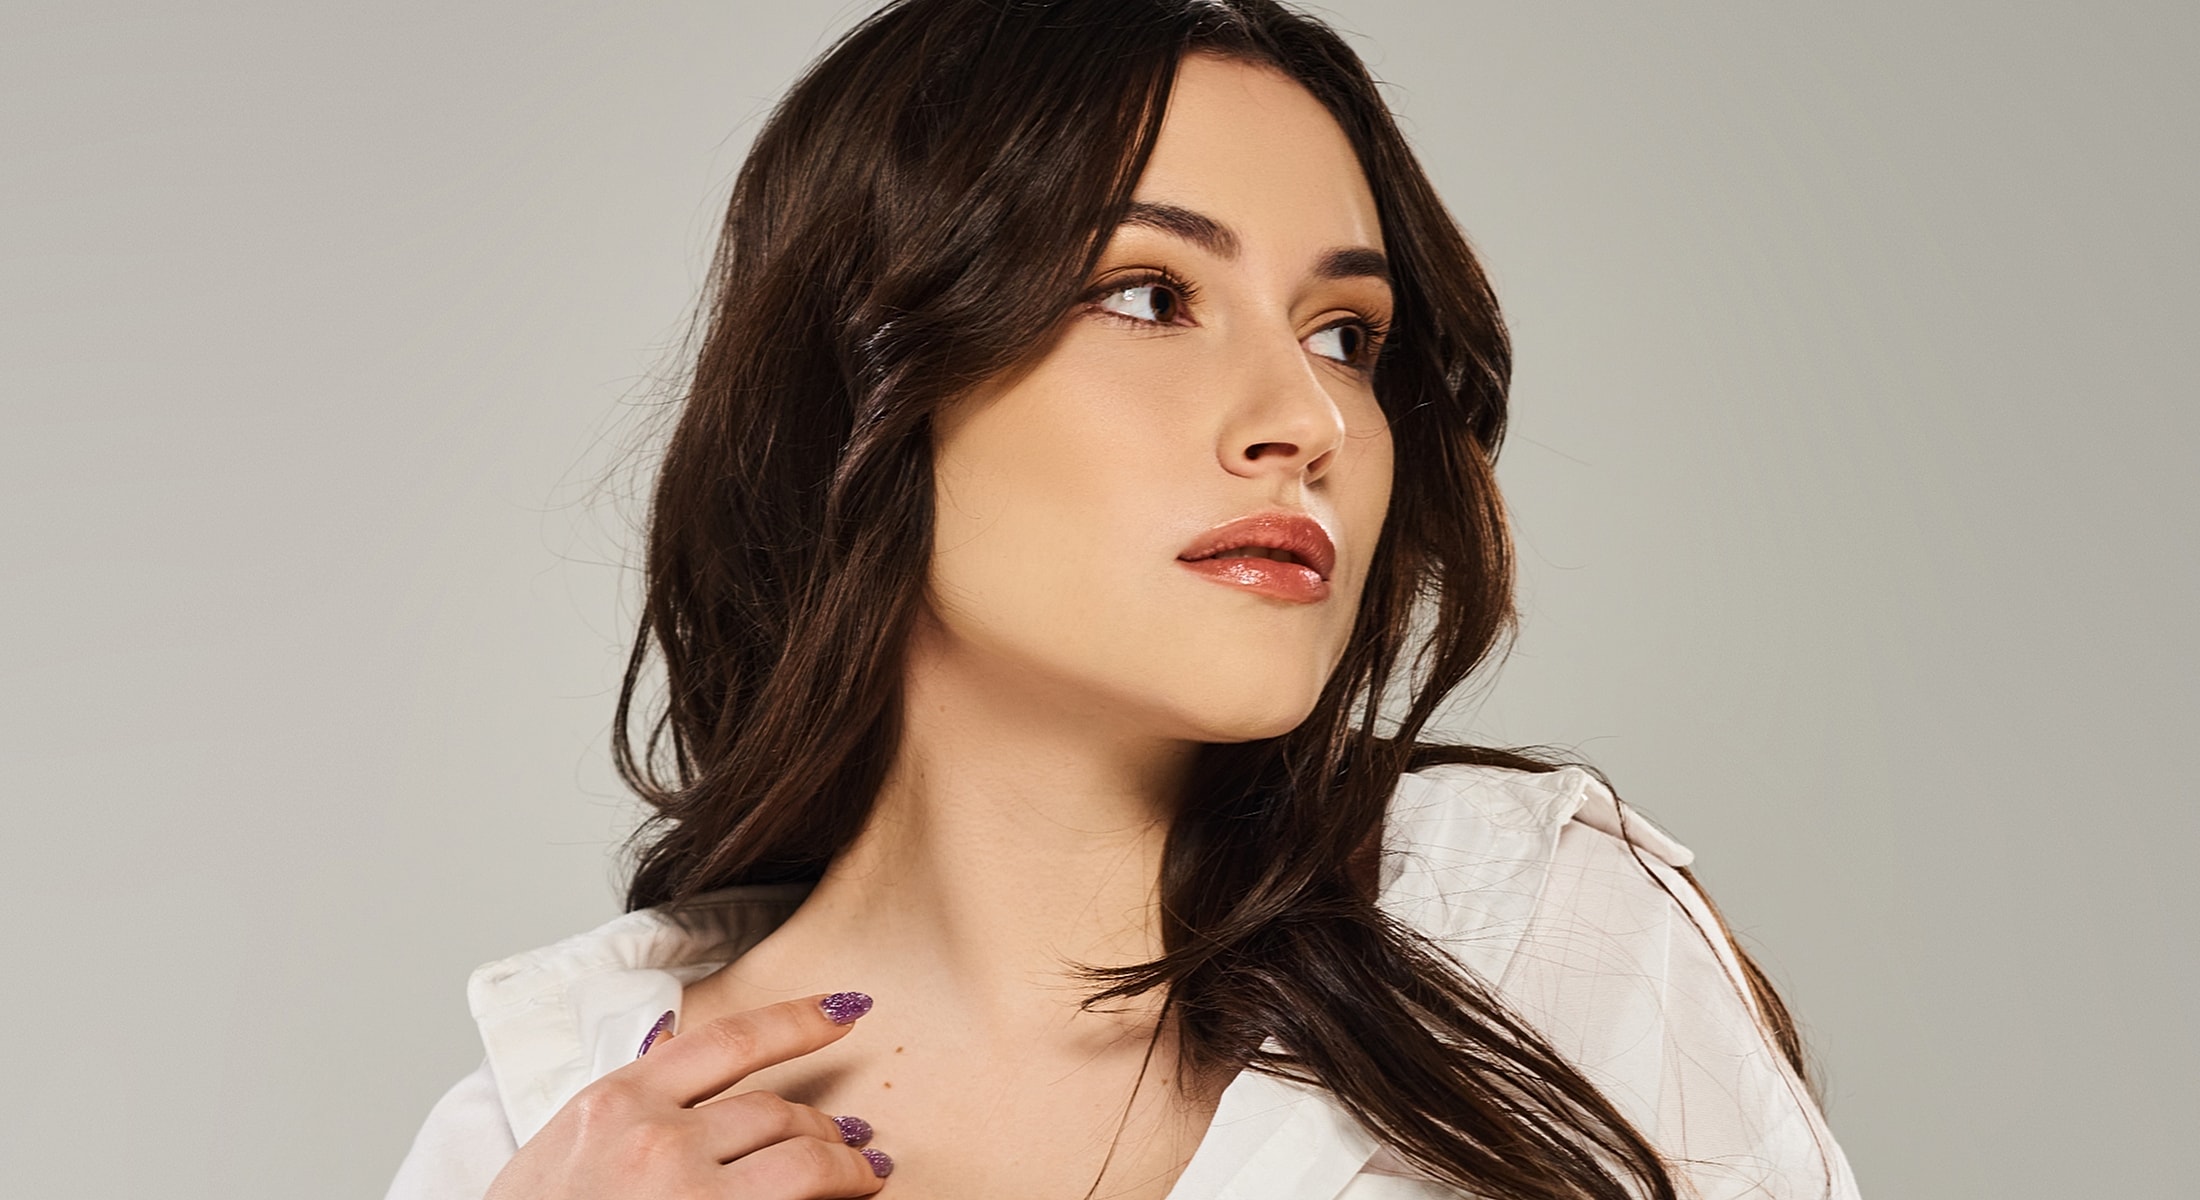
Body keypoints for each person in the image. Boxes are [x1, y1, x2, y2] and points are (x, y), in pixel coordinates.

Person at [385, 1, 1861, 1197]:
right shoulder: (555, 1133)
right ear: (868, 389)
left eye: (1348, 333)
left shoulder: (1536, 942)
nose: (1309, 421)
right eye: (1152, 296)